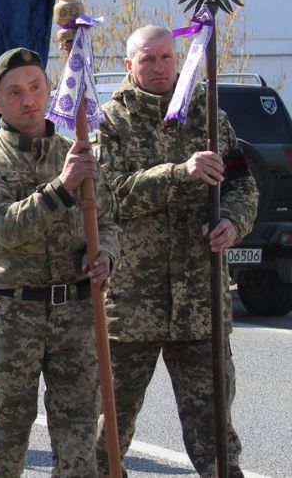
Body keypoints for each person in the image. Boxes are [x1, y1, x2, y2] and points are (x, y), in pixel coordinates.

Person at [95, 26, 258, 477]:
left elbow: (242, 183)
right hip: (129, 308)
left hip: (200, 302)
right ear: (129, 65)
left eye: (167, 57)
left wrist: (232, 221)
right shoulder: (109, 122)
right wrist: (176, 173)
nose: (160, 67)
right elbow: (107, 199)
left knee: (216, 438)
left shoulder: (209, 116)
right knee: (105, 433)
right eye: (148, 59)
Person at [0, 48, 119, 477]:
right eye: (15, 92)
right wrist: (63, 185)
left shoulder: (77, 151)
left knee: (78, 439)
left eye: (36, 87)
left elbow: (108, 221)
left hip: (77, 313)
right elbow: (2, 228)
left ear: (51, 89)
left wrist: (105, 253)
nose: (29, 99)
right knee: (2, 436)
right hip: (14, 312)